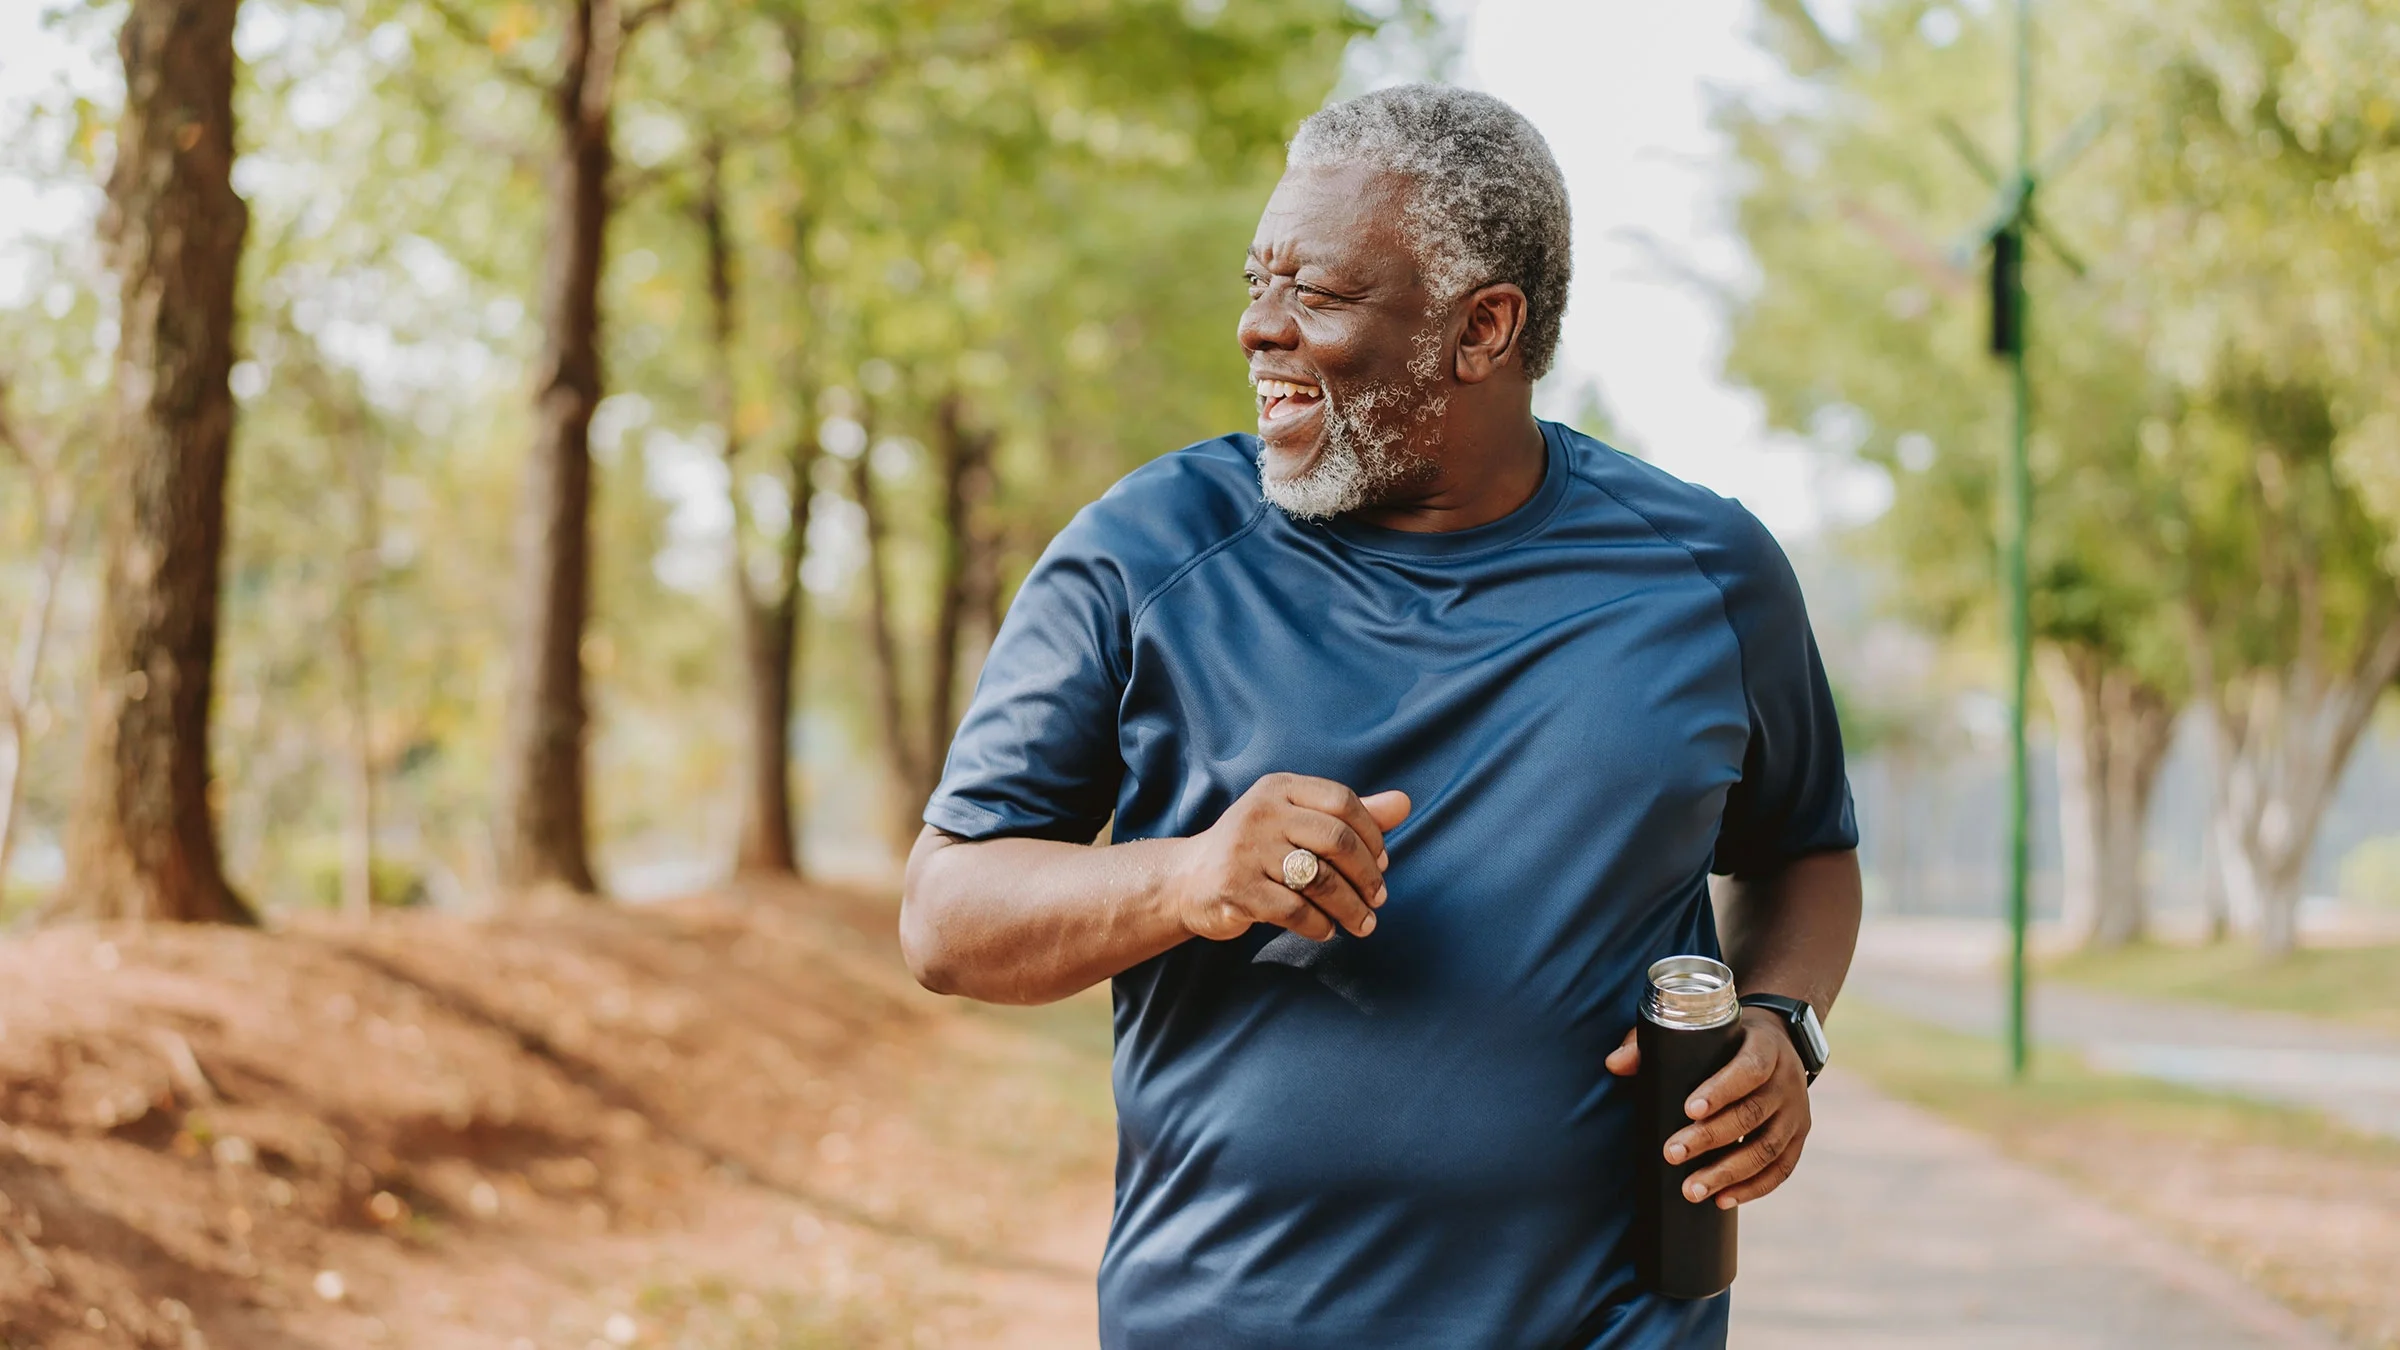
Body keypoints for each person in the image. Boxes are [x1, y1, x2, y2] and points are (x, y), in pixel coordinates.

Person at [899, 83, 1860, 1349]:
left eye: (1320, 295)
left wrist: (1783, 1024)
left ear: (1484, 328)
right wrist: (1186, 878)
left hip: (1611, 1322)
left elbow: (1805, 851)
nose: (1258, 329)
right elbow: (946, 916)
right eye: (1257, 282)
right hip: (1229, 1321)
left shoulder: (1706, 573)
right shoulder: (1143, 558)